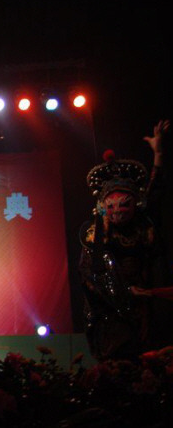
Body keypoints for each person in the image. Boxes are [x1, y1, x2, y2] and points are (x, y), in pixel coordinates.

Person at [79, 120, 169, 360]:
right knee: (117, 359)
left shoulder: (143, 226)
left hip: (145, 302)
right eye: (112, 206)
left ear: (135, 204)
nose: (118, 211)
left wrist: (158, 155)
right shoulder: (96, 234)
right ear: (103, 207)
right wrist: (124, 291)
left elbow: (155, 195)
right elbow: (91, 275)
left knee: (149, 357)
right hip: (110, 308)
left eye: (124, 205)